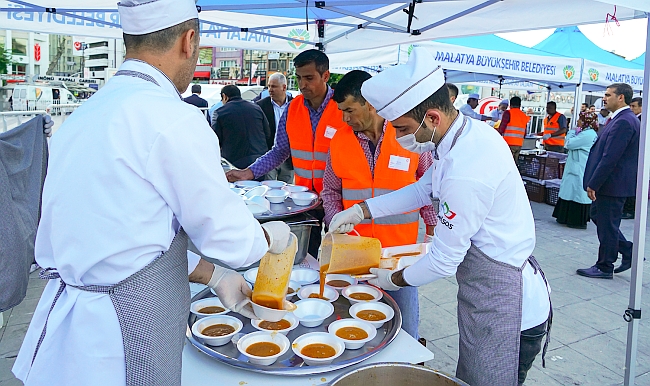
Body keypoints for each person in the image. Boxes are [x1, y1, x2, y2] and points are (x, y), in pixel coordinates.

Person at [12, 2, 292, 385]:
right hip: (123, 339)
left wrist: (213, 276)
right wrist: (269, 237)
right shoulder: (172, 118)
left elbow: (123, 237)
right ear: (189, 41)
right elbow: (232, 241)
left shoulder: (83, 115)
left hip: (66, 332)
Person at [329, 47, 551, 386]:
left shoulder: (466, 170)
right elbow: (422, 189)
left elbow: (444, 261)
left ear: (433, 117)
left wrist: (394, 279)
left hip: (507, 302)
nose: (400, 137)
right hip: (484, 291)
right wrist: (361, 210)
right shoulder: (460, 138)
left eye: (403, 128)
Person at [322, 70, 437, 338]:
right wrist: (334, 221)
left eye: (349, 109)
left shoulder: (408, 136)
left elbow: (428, 186)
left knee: (405, 328)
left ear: (370, 103)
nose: (345, 118)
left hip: (401, 256)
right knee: (354, 326)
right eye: (341, 111)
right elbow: (330, 190)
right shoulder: (339, 140)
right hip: (354, 254)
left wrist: (433, 230)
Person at [226, 49, 349, 257]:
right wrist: (249, 172)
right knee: (304, 256)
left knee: (343, 258)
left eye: (309, 78)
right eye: (299, 78)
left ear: (325, 76)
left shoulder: (344, 108)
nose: (302, 85)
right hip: (303, 199)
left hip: (341, 199)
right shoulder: (293, 109)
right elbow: (279, 151)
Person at [577, 83, 640, 279]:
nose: (604, 98)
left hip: (613, 184)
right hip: (613, 183)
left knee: (607, 224)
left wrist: (594, 183)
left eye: (608, 95)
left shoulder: (624, 121)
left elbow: (610, 156)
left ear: (620, 97)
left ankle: (605, 266)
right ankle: (627, 250)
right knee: (600, 218)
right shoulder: (619, 118)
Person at [552, 118, 598, 229]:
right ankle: (564, 217)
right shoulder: (585, 133)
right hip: (575, 167)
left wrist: (571, 132)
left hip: (580, 167)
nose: (577, 121)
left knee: (577, 193)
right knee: (569, 192)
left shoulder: (588, 134)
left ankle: (576, 221)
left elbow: (569, 143)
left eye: (580, 120)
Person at [212, 85, 271, 171]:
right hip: (260, 160)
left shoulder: (220, 112)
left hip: (234, 161)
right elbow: (267, 133)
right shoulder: (256, 108)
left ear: (224, 96)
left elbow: (215, 139)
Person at [257, 73, 294, 183]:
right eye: (269, 86)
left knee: (287, 188)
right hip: (269, 154)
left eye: (274, 86)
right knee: (269, 187)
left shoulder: (296, 104)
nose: (270, 90)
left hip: (289, 155)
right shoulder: (261, 106)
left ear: (284, 87)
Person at [498, 96, 530, 161]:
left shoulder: (508, 113)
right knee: (514, 164)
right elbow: (525, 133)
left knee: (506, 162)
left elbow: (501, 129)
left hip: (508, 143)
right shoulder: (523, 115)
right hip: (519, 144)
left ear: (510, 105)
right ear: (520, 105)